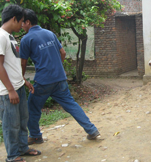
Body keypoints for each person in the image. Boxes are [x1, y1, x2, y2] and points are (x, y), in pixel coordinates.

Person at [20, 9, 100, 145]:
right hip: (60, 78)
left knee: (32, 108)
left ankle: (35, 136)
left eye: (22, 22)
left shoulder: (27, 39)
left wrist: (22, 78)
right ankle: (91, 130)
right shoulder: (50, 34)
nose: (21, 26)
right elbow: (62, 53)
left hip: (43, 81)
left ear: (28, 22)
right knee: (71, 105)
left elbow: (23, 62)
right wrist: (57, 67)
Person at [0, 5, 41, 162]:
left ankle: (23, 148)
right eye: (21, 21)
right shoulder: (1, 36)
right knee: (11, 125)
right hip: (7, 92)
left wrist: (24, 82)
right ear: (14, 19)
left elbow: (12, 65)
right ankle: (12, 155)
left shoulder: (9, 36)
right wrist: (10, 90)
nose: (22, 25)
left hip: (17, 87)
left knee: (23, 120)